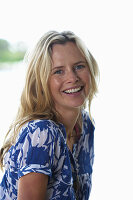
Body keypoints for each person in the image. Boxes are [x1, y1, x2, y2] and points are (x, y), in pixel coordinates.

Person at [0, 30, 99, 200]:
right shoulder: (41, 133)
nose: (73, 77)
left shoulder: (85, 125)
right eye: (58, 71)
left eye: (79, 66)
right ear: (41, 81)